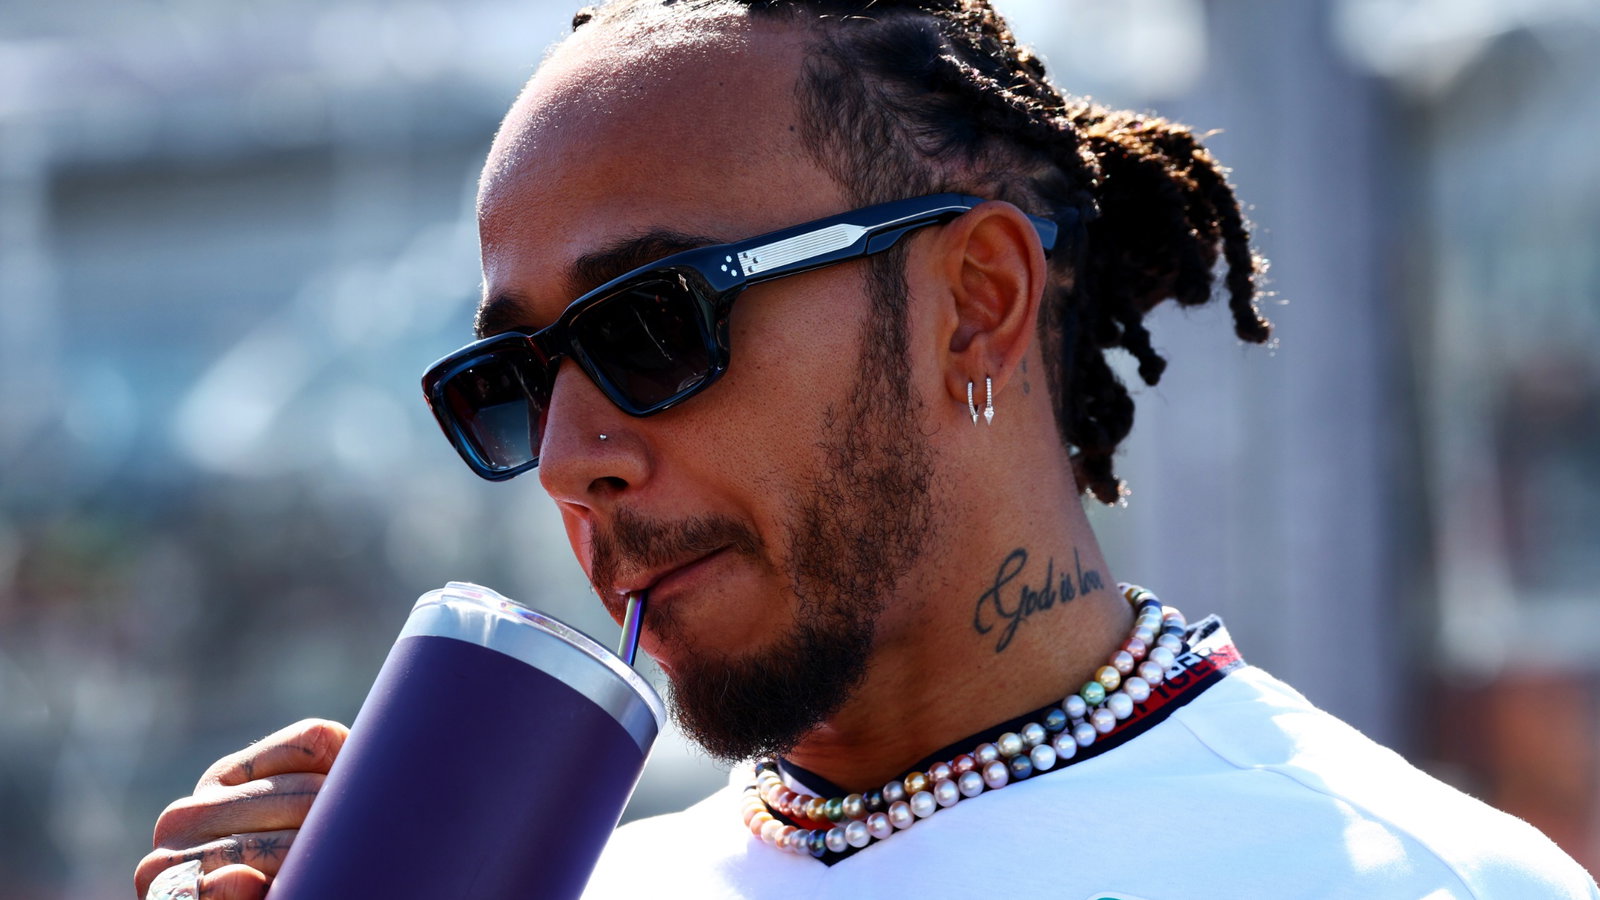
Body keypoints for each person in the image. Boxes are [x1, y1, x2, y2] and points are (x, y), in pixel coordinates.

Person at [136, 1, 1599, 897]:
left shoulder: (1414, 883)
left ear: (975, 304)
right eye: (514, 379)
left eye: (653, 326)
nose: (577, 453)